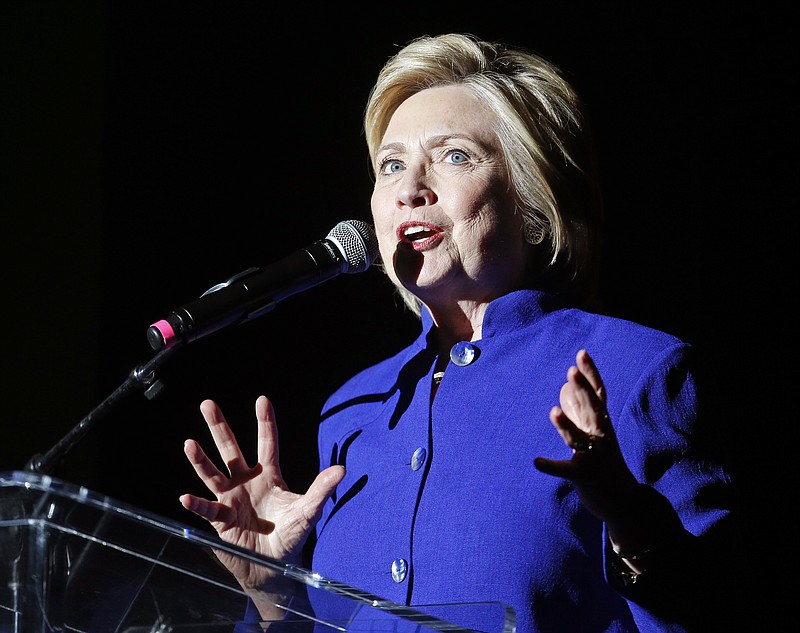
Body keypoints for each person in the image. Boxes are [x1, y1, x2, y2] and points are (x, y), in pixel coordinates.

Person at [179, 33, 746, 632]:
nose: (409, 190)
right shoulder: (353, 410)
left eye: (454, 156)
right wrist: (271, 596)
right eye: (391, 165)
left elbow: (722, 610)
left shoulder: (636, 370)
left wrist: (631, 518)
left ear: (533, 202)